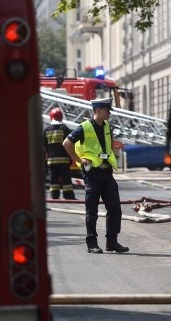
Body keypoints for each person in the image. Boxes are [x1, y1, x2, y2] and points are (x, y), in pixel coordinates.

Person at [62, 97, 129, 254]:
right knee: (91, 210)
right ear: (97, 111)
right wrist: (79, 160)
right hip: (92, 173)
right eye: (106, 111)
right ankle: (92, 243)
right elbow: (67, 143)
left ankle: (112, 242)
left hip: (106, 172)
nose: (109, 113)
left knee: (115, 208)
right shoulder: (84, 127)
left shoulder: (106, 126)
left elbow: (108, 146)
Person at [43, 107, 76, 200]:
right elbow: (70, 143)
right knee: (66, 179)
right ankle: (68, 196)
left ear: (51, 117)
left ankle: (54, 195)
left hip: (51, 161)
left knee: (53, 179)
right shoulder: (65, 129)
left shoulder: (47, 130)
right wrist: (72, 157)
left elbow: (43, 147)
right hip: (64, 160)